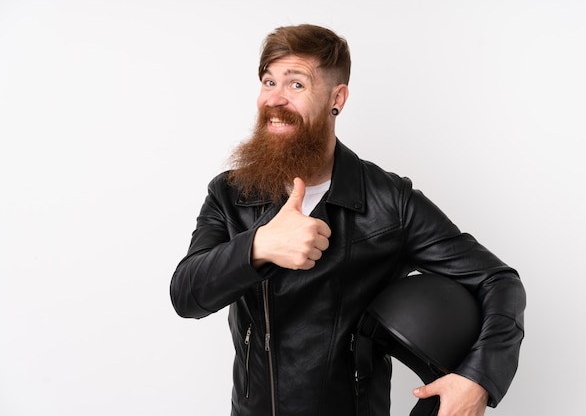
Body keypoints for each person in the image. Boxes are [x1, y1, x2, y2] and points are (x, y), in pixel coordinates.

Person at [170, 24, 525, 416]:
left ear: (336, 98)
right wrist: (258, 246)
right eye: (269, 81)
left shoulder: (391, 203)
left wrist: (478, 378)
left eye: (296, 85)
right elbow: (186, 296)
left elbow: (497, 280)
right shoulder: (229, 193)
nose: (275, 98)